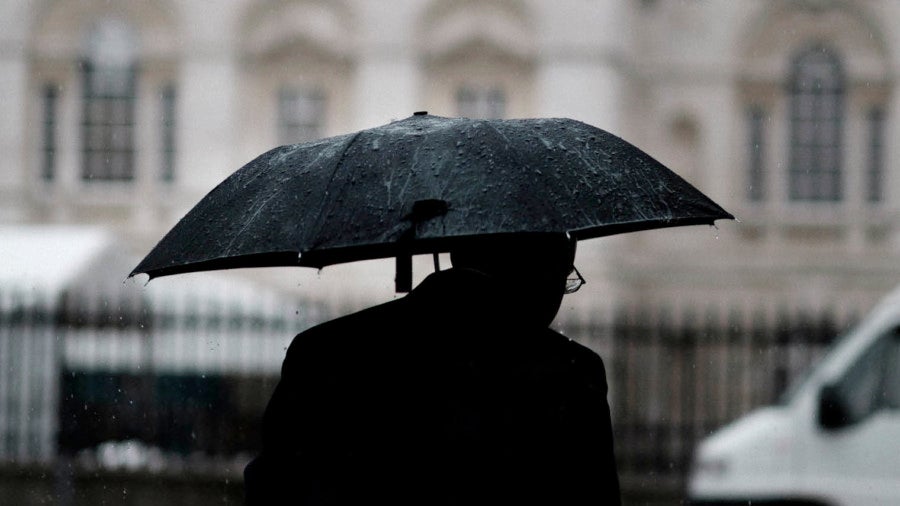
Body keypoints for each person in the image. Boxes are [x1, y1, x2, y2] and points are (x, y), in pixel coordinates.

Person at [244, 233, 621, 505]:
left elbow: (275, 491)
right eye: (565, 278)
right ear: (542, 273)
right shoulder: (570, 372)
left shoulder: (325, 351)